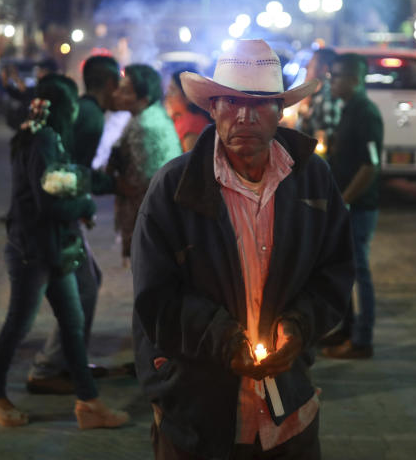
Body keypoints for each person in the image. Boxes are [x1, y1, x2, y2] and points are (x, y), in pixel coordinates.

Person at [131, 39, 354, 459]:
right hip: (197, 415)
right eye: (231, 103)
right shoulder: (173, 187)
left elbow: (335, 273)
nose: (245, 117)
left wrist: (299, 326)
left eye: (261, 104)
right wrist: (222, 340)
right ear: (212, 109)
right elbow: (156, 296)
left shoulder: (313, 180)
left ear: (281, 111)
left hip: (287, 414)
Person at [0, 75, 129, 429]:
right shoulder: (44, 139)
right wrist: (86, 207)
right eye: (72, 109)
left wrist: (85, 190)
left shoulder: (39, 134)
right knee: (18, 325)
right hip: (33, 251)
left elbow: (57, 183)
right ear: (63, 109)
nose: (76, 116)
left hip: (53, 249)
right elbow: (48, 205)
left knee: (73, 325)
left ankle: (88, 403)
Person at [26, 56, 120, 395]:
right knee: (82, 288)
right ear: (109, 83)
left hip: (62, 213)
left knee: (89, 282)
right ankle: (50, 366)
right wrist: (99, 190)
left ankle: (68, 360)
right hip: (57, 218)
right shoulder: (89, 118)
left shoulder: (80, 114)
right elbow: (69, 174)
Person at [321, 52, 384, 360]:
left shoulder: (366, 113)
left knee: (359, 272)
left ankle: (362, 340)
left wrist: (345, 201)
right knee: (344, 270)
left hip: (358, 208)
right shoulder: (348, 110)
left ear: (355, 80)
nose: (331, 81)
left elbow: (371, 166)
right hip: (345, 206)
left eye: (336, 76)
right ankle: (344, 330)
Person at [109, 64, 182, 267]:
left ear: (143, 99)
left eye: (125, 91)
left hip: (150, 220)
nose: (116, 94)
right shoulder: (151, 116)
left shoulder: (145, 125)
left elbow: (145, 181)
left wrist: (115, 183)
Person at [295, 47, 340, 152]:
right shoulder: (315, 94)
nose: (306, 67)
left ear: (323, 69)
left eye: (311, 65)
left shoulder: (327, 96)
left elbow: (324, 137)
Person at [165, 70, 212, 152]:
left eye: (172, 90)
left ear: (188, 96)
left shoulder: (191, 124)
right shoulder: (181, 118)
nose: (168, 96)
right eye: (168, 90)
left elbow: (191, 162)